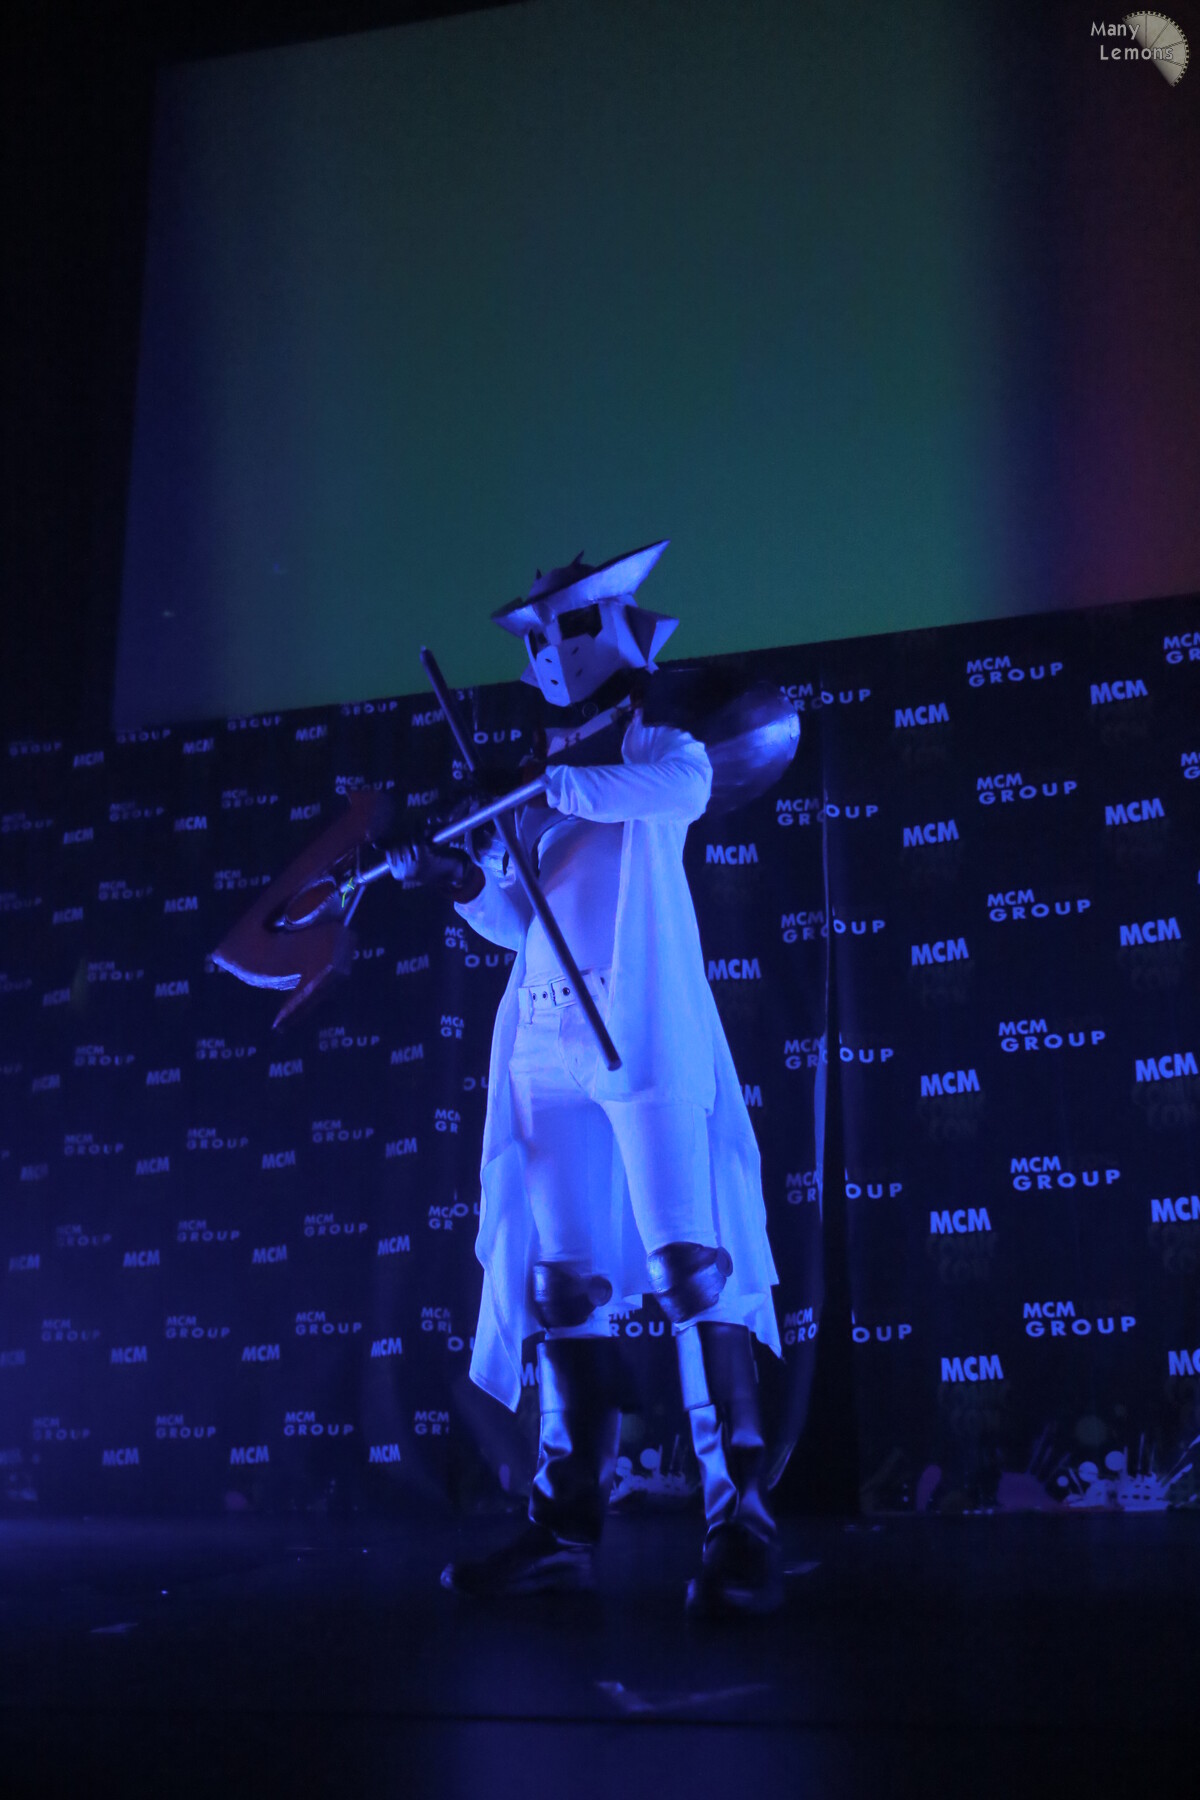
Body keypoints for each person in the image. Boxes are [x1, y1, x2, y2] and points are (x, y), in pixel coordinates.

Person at [388, 540, 783, 1615]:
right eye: (539, 632)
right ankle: (564, 1528)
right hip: (544, 1037)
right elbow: (522, 917)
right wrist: (457, 872)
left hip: (642, 1032)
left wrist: (544, 782)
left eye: (572, 623)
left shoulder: (651, 739)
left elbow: (682, 788)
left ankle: (740, 1524)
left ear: (616, 624)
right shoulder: (535, 775)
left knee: (693, 1267)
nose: (555, 648)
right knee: (564, 1286)